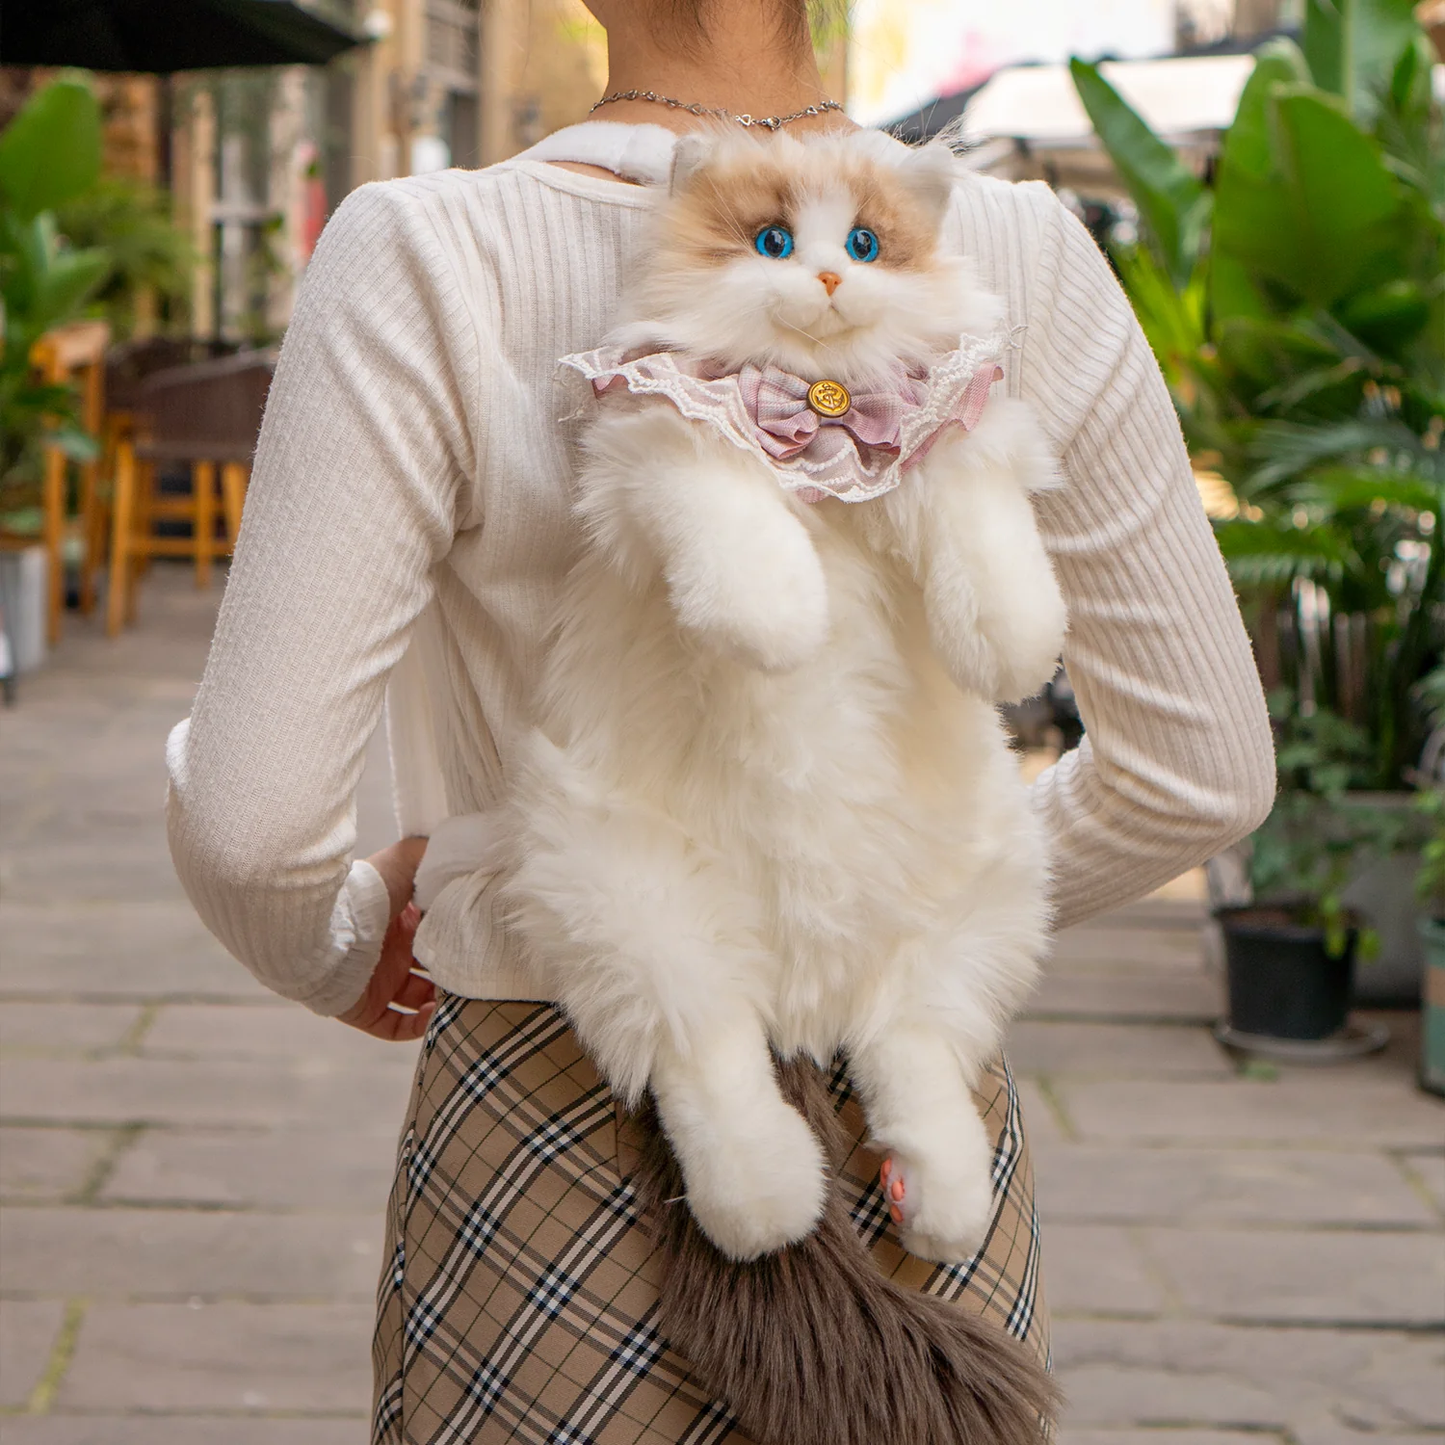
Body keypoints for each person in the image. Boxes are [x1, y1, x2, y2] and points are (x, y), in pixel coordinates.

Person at [165, 1, 1275, 1439]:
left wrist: (344, 946)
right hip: (912, 1139)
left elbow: (252, 824)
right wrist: (910, 883)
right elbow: (1203, 772)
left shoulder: (426, 254)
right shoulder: (1020, 252)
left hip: (548, 1126)